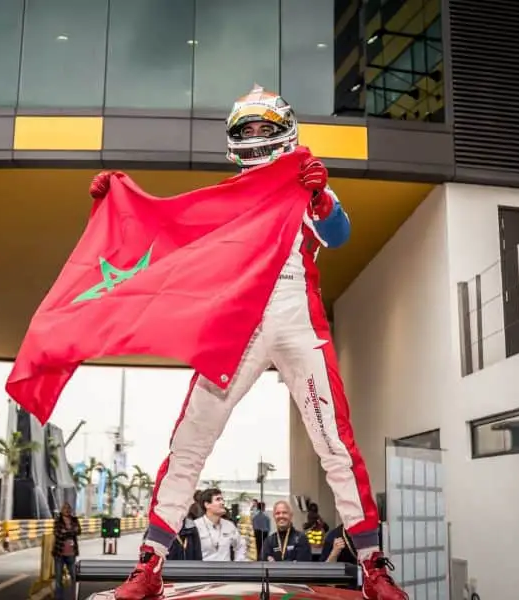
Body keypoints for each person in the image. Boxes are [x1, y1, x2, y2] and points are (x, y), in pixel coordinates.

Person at [92, 85, 407, 600]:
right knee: (190, 442)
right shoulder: (223, 199)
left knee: (335, 444)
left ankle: (373, 566)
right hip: (237, 320)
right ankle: (149, 565)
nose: (257, 137)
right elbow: (167, 238)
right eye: (248, 130)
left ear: (284, 131)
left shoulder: (307, 182)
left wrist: (321, 196)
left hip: (296, 316)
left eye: (265, 128)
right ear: (235, 140)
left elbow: (340, 232)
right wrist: (120, 210)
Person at [194, 488, 247, 561]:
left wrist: (237, 565)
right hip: (204, 571)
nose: (222, 503)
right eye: (218, 499)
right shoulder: (196, 526)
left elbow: (240, 545)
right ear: (207, 505)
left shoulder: (229, 525)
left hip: (226, 571)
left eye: (222, 499)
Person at [52, 502, 81, 600]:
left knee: (74, 578)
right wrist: (71, 532)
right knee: (58, 579)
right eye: (65, 508)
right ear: (61, 510)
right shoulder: (58, 521)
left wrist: (66, 531)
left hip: (71, 553)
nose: (67, 510)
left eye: (69, 508)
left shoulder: (74, 520)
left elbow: (78, 531)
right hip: (59, 553)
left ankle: (73, 597)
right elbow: (58, 533)